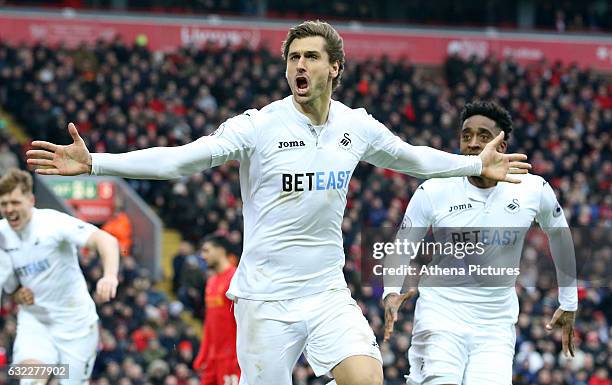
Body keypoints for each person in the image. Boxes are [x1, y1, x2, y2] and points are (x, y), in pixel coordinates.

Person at [26, 21, 530, 385]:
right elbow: (182, 160)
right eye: (293, 58)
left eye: (311, 57)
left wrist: (472, 166)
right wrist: (96, 164)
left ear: (335, 67)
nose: (300, 66)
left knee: (367, 379)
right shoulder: (259, 125)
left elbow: (412, 158)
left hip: (327, 291)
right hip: (265, 298)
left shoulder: (356, 126)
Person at [382, 101, 577, 385]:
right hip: (440, 316)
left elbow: (560, 234)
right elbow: (403, 245)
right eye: (466, 135)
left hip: (495, 326)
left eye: (484, 136)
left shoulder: (532, 189)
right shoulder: (435, 189)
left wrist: (569, 301)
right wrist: (390, 291)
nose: (473, 143)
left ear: (502, 145)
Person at [0, 168, 120, 385]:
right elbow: (10, 283)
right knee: (31, 380)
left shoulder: (52, 224)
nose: (9, 210)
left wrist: (109, 276)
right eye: (4, 204)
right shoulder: (1, 236)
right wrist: (18, 294)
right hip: (35, 323)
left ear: (30, 200)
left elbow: (106, 240)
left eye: (15, 203)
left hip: (76, 326)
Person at [193, 235, 239, 385]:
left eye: (206, 250)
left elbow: (245, 321)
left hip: (232, 357)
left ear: (220, 251)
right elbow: (210, 322)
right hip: (214, 358)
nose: (203, 255)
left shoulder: (236, 278)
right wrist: (204, 354)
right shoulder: (211, 282)